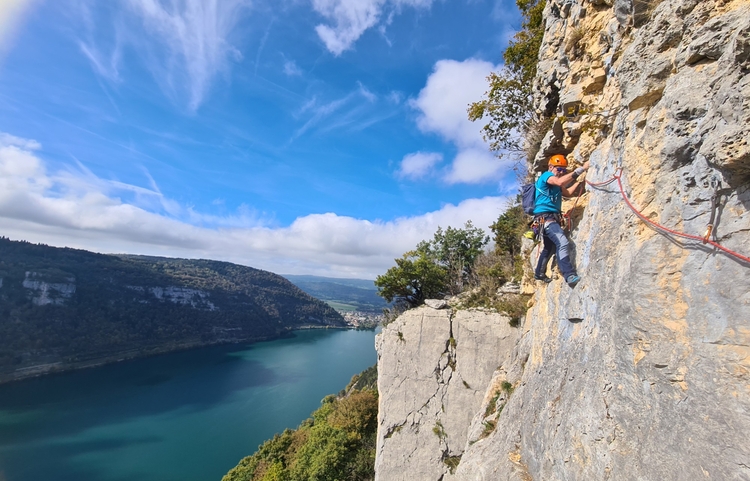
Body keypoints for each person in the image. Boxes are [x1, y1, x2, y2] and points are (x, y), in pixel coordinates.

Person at [533, 154, 590, 285]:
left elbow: (568, 193)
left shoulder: (556, 185)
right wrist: (582, 169)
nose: (561, 172)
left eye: (564, 170)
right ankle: (569, 275)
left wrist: (579, 183)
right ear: (551, 167)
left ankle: (539, 273)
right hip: (546, 218)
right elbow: (560, 181)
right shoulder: (546, 176)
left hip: (551, 218)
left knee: (550, 247)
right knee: (563, 243)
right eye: (559, 169)